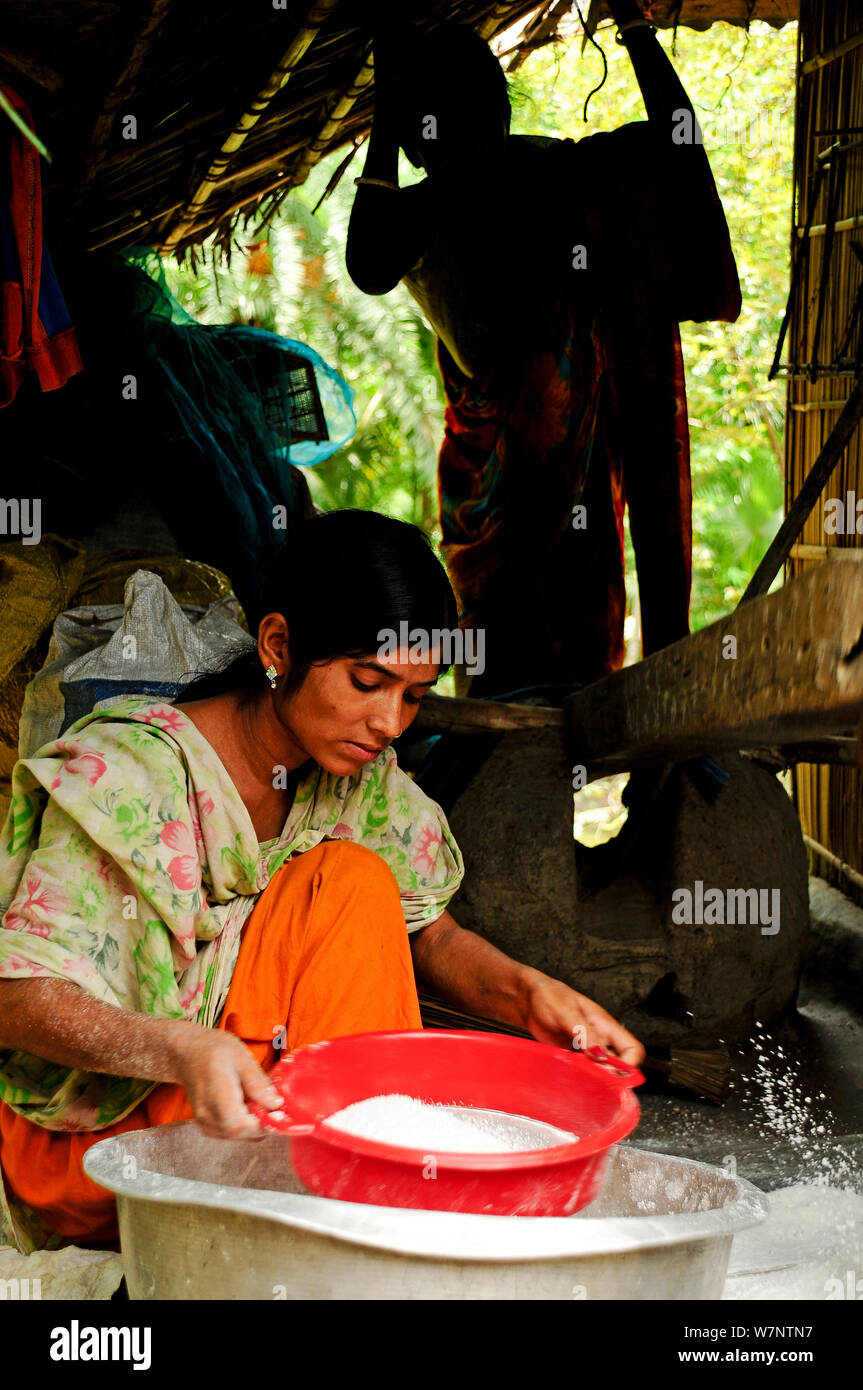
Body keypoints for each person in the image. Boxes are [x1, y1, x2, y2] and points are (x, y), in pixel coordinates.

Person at [0, 509, 643, 1251]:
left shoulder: (359, 780)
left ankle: (360, 1197)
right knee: (342, 882)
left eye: (413, 695)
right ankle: (362, 1204)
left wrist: (527, 993)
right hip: (102, 1148)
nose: (390, 722)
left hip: (241, 1120)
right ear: (279, 646)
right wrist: (180, 1048)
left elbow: (429, 936)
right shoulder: (132, 776)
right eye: (368, 681)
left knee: (353, 885)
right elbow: (18, 1001)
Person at [346, 5, 741, 697]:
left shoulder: (503, 188)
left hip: (519, 494)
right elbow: (680, 142)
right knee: (531, 677)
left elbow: (368, 261)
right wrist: (637, 34)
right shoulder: (543, 181)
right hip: (511, 487)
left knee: (523, 683)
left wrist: (387, 105)